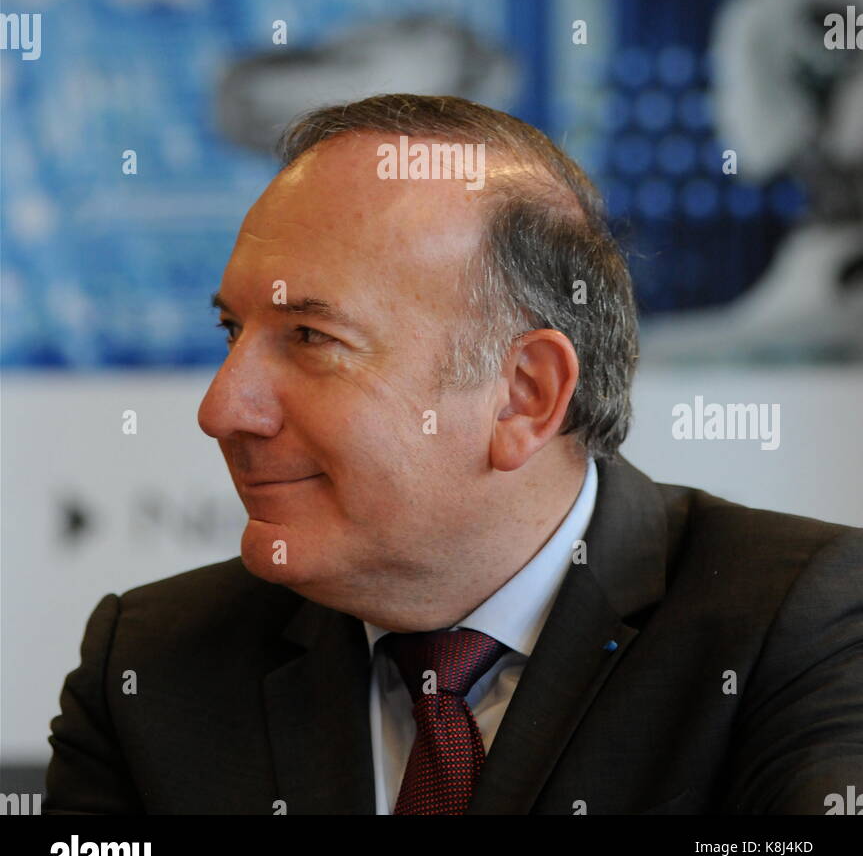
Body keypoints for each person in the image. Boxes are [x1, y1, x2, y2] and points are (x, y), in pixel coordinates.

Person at [43, 94, 863, 815]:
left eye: (310, 338)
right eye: (232, 331)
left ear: (523, 395)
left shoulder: (801, 622)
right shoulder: (153, 663)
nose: (222, 408)